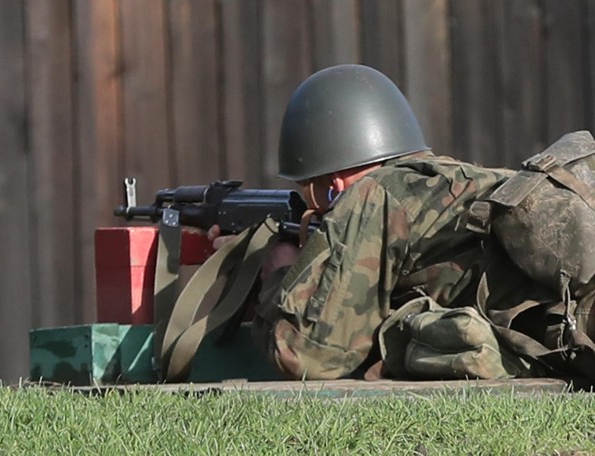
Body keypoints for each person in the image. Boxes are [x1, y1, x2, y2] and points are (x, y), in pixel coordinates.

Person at [209, 64, 594, 385]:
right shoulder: (457, 181)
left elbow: (308, 356)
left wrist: (275, 269)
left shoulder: (373, 195)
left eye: (309, 191)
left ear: (333, 185)